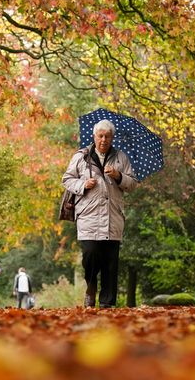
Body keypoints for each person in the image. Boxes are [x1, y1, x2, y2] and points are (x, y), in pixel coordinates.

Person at [62, 119, 138, 308]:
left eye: (107, 136)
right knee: (90, 255)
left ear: (112, 138)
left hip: (113, 216)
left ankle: (107, 303)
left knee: (110, 262)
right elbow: (67, 179)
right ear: (94, 136)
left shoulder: (121, 158)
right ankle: (91, 285)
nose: (103, 140)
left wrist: (118, 176)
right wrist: (82, 185)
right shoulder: (81, 157)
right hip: (88, 215)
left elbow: (132, 184)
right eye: (100, 136)